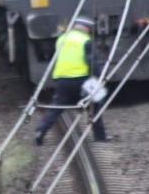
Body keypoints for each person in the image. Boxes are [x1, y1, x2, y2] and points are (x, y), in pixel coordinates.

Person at [34, 16, 108, 145]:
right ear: (85, 28)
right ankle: (100, 136)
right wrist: (98, 78)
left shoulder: (61, 39)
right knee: (94, 106)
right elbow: (91, 62)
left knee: (56, 107)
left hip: (63, 81)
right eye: (88, 29)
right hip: (82, 80)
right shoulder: (85, 40)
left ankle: (41, 130)